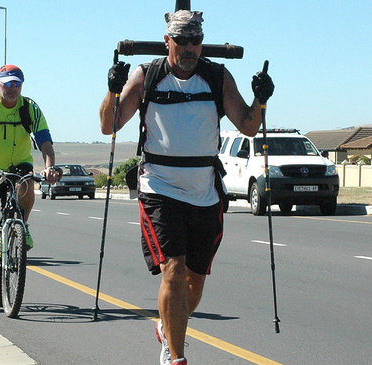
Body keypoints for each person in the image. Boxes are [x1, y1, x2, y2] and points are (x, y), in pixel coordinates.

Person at [99, 10, 274, 365]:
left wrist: (261, 99)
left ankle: (168, 327)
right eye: (182, 40)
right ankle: (175, 356)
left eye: (196, 40)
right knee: (174, 271)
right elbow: (109, 125)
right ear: (168, 41)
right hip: (159, 188)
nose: (190, 47)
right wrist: (112, 90)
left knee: (195, 282)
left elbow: (249, 125)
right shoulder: (147, 76)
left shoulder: (216, 76)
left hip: (205, 192)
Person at [0, 64, 61, 295]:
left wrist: (50, 168)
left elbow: (45, 142)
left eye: (16, 83)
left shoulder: (29, 108)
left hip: (19, 164)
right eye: (7, 83)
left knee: (28, 183)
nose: (12, 88)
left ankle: (22, 226)